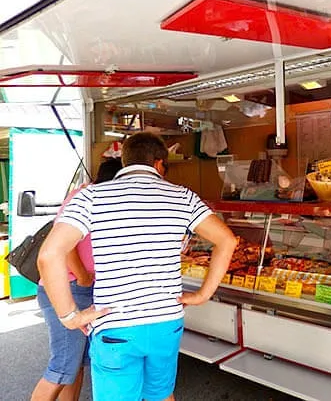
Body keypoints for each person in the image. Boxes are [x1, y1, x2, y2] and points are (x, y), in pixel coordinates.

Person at [38, 132, 238, 401]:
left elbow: (49, 255)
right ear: (159, 163)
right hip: (166, 322)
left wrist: (70, 317)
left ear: (124, 160)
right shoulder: (183, 196)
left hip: (115, 324)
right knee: (162, 394)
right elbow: (227, 240)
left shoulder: (91, 196)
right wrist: (202, 295)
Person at [31, 157, 123, 401]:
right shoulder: (84, 197)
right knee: (62, 367)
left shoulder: (100, 198)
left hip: (85, 288)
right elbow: (61, 246)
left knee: (77, 364)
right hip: (69, 287)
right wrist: (82, 276)